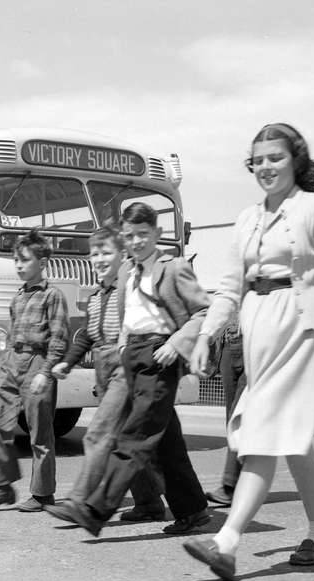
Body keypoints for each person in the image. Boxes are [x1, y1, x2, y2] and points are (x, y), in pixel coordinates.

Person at [185, 123, 314, 581]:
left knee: (264, 435)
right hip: (260, 332)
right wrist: (205, 335)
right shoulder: (246, 218)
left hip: (302, 329)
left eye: (275, 157)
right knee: (293, 440)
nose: (265, 166)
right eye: (257, 160)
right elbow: (230, 288)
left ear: (296, 159)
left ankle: (227, 542)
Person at [46, 202, 211, 536]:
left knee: (133, 437)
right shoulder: (126, 272)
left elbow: (203, 312)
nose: (136, 241)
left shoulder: (174, 267)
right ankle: (193, 510)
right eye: (130, 235)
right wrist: (123, 343)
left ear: (157, 234)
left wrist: (175, 345)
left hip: (159, 355)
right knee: (166, 442)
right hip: (132, 355)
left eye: (143, 234)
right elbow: (127, 315)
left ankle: (94, 510)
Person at [51, 224, 166, 522]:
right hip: (103, 369)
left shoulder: (128, 290)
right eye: (94, 253)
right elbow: (88, 336)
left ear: (123, 255)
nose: (99, 259)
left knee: (98, 434)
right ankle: (149, 502)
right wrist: (68, 361)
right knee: (122, 440)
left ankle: (79, 502)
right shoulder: (95, 296)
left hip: (125, 368)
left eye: (106, 252)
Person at [0, 229, 69, 513]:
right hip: (12, 362)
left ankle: (42, 494)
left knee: (40, 432)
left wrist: (46, 371)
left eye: (24, 260)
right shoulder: (17, 297)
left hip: (38, 364)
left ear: (42, 262)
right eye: (16, 259)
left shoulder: (53, 296)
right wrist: (6, 365)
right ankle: (2, 488)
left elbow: (59, 337)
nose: (18, 265)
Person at [204, 316, 246, 506]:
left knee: (241, 417)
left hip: (255, 345)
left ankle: (230, 485)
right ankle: (236, 484)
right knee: (232, 419)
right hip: (229, 344)